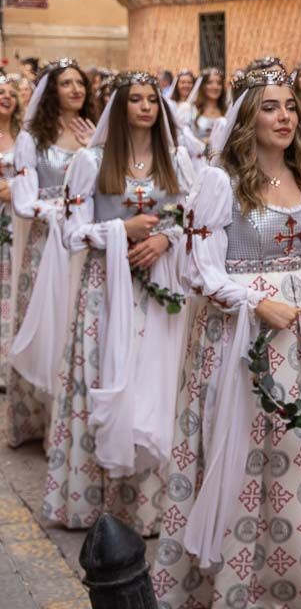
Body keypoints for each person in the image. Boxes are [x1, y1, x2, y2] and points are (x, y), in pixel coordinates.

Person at [151, 65, 301, 609]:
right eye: (270, 107)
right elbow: (200, 271)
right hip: (236, 339)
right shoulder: (220, 181)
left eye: (290, 107)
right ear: (247, 117)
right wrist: (256, 302)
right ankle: (227, 584)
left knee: (299, 449)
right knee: (242, 446)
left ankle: (291, 581)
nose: (283, 116)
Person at [45, 71, 194, 533]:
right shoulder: (91, 161)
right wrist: (119, 232)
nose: (146, 107)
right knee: (105, 380)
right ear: (121, 106)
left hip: (159, 288)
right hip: (105, 292)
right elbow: (71, 233)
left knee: (156, 386)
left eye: (153, 99)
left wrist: (165, 240)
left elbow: (194, 220)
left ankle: (148, 508)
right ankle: (94, 502)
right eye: (137, 99)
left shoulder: (177, 159)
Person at [7, 59, 96, 447]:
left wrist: (94, 149)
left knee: (72, 326)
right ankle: (36, 421)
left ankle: (68, 426)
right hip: (47, 244)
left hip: (82, 243)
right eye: (66, 83)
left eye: (80, 83)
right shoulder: (32, 138)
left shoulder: (92, 133)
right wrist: (58, 211)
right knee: (44, 327)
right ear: (50, 91)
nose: (76, 89)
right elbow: (24, 200)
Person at [0, 75, 22, 388]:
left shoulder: (24, 136)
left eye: (10, 93)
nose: (6, 97)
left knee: (11, 287)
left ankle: (8, 364)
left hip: (16, 218)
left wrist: (14, 189)